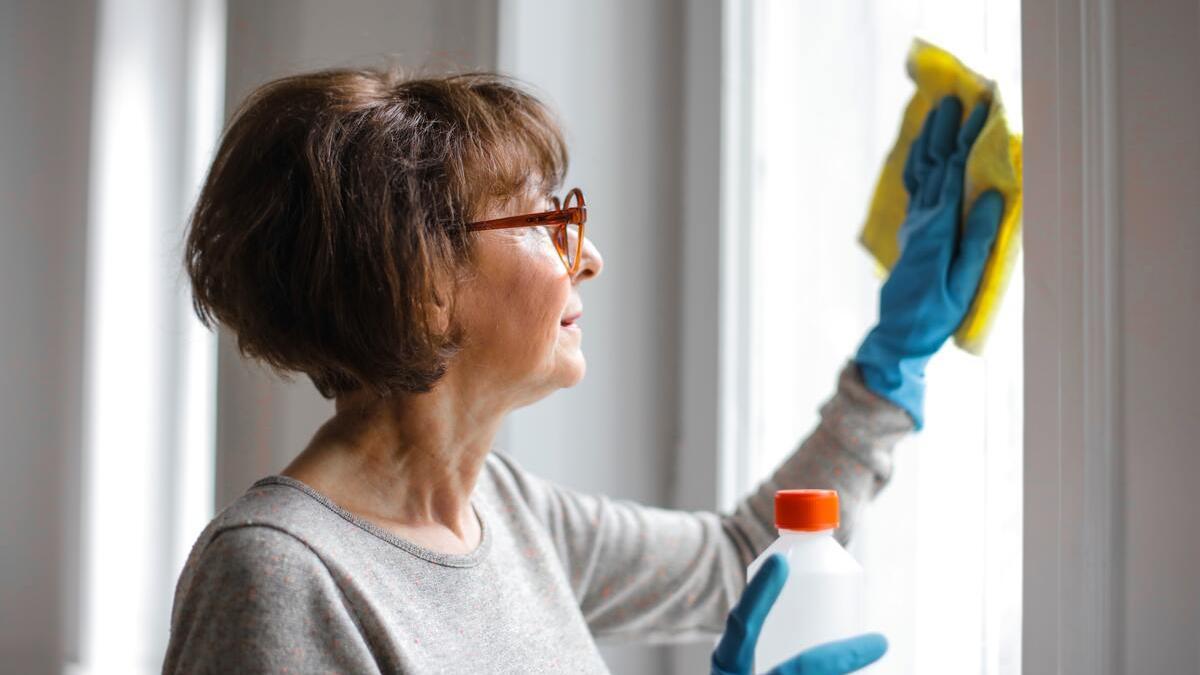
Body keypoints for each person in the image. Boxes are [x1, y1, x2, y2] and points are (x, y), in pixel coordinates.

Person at [162, 66, 999, 674]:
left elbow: (742, 558)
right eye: (546, 220)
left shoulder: (511, 514)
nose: (589, 256)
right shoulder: (280, 576)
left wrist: (892, 362)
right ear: (420, 283)